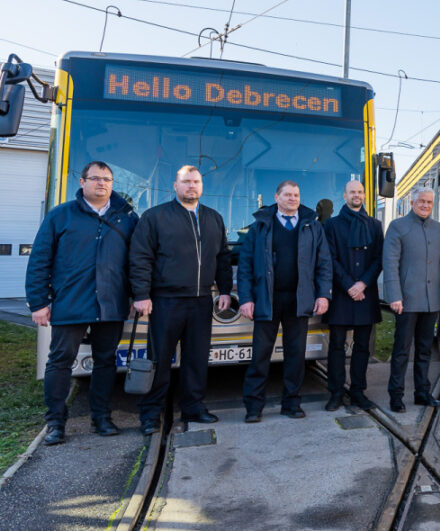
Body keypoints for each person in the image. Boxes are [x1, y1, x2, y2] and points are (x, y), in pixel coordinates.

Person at [25, 161, 139, 445]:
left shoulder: (126, 218)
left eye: (108, 179)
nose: (102, 183)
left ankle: (101, 417)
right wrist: (39, 302)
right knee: (60, 362)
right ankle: (55, 423)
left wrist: (138, 295)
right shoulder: (60, 216)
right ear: (82, 181)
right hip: (70, 303)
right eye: (96, 178)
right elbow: (40, 260)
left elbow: (138, 262)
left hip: (111, 305)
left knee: (105, 362)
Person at [129, 165, 233, 435]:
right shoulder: (155, 217)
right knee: (159, 359)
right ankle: (151, 414)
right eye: (186, 182)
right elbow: (141, 257)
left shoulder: (214, 218)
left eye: (196, 182)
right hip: (165, 300)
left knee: (196, 359)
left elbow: (222, 257)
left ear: (202, 186)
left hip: (201, 300)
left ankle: (193, 407)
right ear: (175, 186)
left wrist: (224, 289)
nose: (191, 186)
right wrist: (141, 294)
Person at [237, 181, 332, 421]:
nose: (292, 198)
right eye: (287, 195)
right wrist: (246, 298)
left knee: (295, 355)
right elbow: (245, 266)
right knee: (260, 356)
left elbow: (324, 263)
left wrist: (323, 294)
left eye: (296, 195)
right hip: (266, 300)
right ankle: (254, 407)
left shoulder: (312, 225)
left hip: (299, 300)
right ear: (276, 197)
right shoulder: (260, 226)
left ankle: (291, 404)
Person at [382, 187, 440, 413]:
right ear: (412, 203)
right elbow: (390, 265)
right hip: (406, 301)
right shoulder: (398, 227)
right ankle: (396, 396)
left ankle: (422, 393)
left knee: (424, 350)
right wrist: (394, 296)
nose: (425, 205)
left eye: (429, 202)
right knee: (402, 350)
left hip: (432, 301)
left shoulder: (438, 228)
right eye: (421, 201)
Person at [323, 180, 383, 411]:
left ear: (364, 195)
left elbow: (379, 258)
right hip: (341, 293)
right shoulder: (332, 225)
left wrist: (363, 284)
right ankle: (336, 392)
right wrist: (350, 285)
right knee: (336, 346)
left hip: (365, 294)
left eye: (360, 192)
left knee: (362, 347)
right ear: (344, 195)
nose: (356, 195)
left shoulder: (375, 225)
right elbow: (330, 258)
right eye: (352, 192)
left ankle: (358, 391)